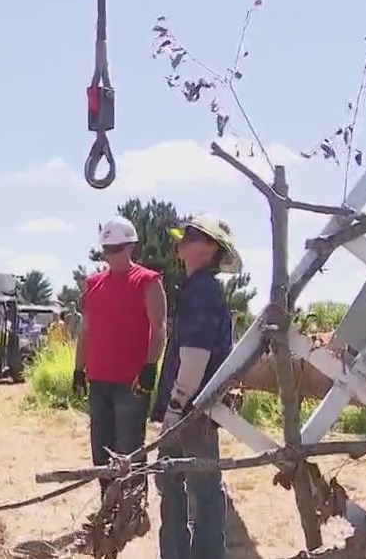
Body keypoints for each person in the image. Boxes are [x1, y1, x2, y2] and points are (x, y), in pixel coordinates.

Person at [151, 214, 242, 559]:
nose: (183, 240)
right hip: (196, 409)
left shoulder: (201, 292)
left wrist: (175, 408)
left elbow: (194, 356)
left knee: (194, 489)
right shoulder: (201, 289)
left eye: (192, 236)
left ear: (210, 249)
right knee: (181, 484)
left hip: (192, 411)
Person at [73, 217, 168, 502]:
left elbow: (160, 327)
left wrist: (151, 367)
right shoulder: (93, 284)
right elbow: (86, 330)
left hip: (132, 382)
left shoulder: (148, 281)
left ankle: (133, 506)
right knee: (100, 451)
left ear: (130, 247)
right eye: (107, 249)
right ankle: (108, 506)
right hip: (99, 379)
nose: (111, 255)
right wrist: (78, 370)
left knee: (128, 449)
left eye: (117, 248)